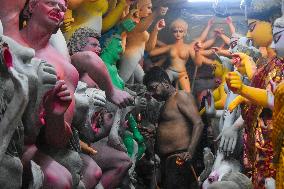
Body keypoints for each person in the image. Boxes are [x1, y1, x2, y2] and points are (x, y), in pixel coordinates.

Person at [143, 66, 204, 189]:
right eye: (150, 90)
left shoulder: (181, 96)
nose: (153, 94)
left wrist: (190, 152)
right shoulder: (167, 102)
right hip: (168, 161)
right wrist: (154, 132)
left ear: (165, 83)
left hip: (180, 158)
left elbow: (198, 123)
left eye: (153, 88)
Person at [149, 18, 215, 92]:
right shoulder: (169, 47)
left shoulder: (188, 47)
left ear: (185, 33)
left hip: (182, 73)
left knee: (187, 95)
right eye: (175, 31)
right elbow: (151, 52)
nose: (178, 34)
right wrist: (155, 31)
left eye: (180, 31)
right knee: (160, 91)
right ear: (172, 33)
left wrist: (197, 51)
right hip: (170, 71)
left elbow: (198, 64)